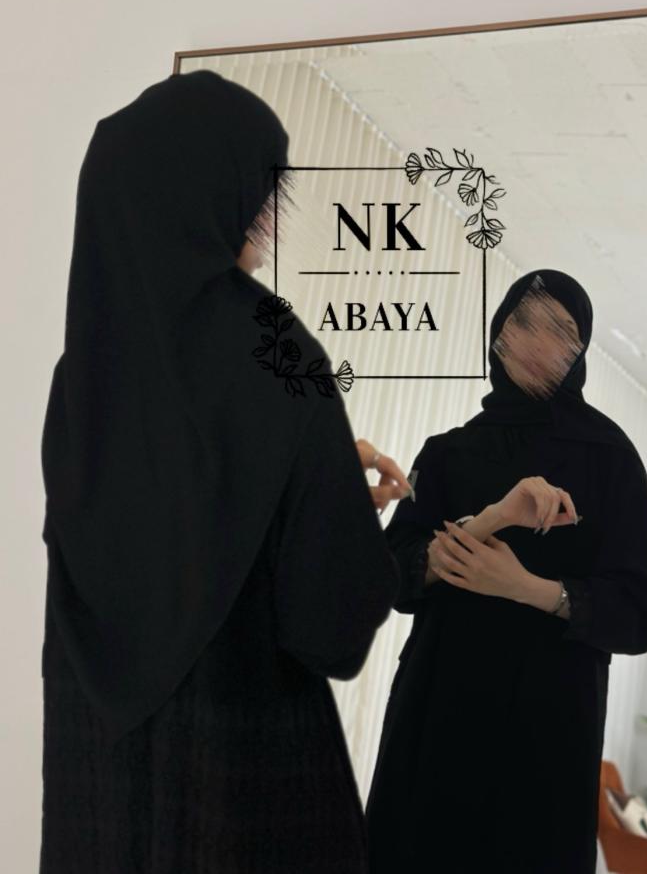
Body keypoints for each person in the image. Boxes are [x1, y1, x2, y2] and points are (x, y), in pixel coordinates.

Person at [38, 69, 413, 873]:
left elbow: (162, 515)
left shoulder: (83, 376)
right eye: (260, 194)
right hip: (244, 793)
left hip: (99, 795)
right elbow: (329, 628)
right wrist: (341, 507)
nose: (265, 219)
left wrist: (306, 475)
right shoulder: (275, 351)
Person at [365, 269, 647, 874]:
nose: (536, 343)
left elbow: (637, 617)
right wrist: (487, 523)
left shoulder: (611, 458)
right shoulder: (446, 453)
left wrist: (529, 589)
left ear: (579, 351)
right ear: (499, 331)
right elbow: (393, 575)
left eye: (560, 331)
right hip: (438, 713)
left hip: (547, 730)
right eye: (522, 322)